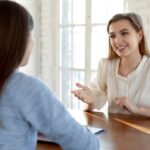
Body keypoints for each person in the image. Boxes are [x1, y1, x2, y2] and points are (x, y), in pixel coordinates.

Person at [0, 1, 100, 150]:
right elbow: (85, 144)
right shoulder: (24, 87)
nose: (32, 41)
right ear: (16, 39)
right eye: (30, 35)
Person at [72, 12, 150, 117]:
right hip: (114, 131)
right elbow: (91, 104)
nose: (117, 41)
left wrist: (136, 109)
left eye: (124, 33)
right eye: (112, 36)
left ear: (139, 35)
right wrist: (89, 101)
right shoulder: (106, 66)